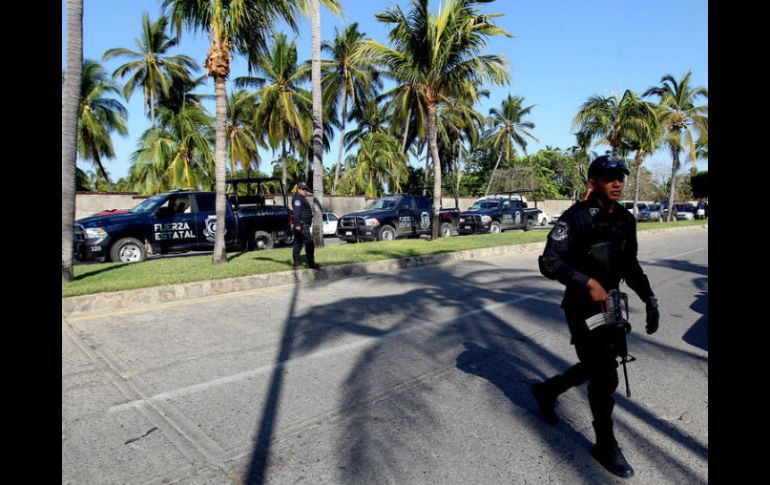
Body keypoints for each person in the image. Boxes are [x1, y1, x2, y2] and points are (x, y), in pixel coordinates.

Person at [534, 155, 660, 478]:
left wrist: (649, 298)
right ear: (593, 183)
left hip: (611, 307)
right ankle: (605, 443)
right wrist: (587, 283)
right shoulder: (576, 218)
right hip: (581, 307)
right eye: (609, 177)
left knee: (599, 366)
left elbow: (630, 265)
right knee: (605, 376)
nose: (617, 182)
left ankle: (547, 392)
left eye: (621, 176)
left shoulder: (625, 220)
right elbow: (549, 261)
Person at [292, 182, 321, 269]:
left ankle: (296, 261)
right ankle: (311, 263)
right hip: (302, 224)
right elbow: (296, 213)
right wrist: (297, 224)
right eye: (303, 189)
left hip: (302, 224)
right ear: (298, 189)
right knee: (309, 243)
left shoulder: (301, 197)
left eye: (306, 189)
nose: (305, 191)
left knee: (298, 243)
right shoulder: (298, 199)